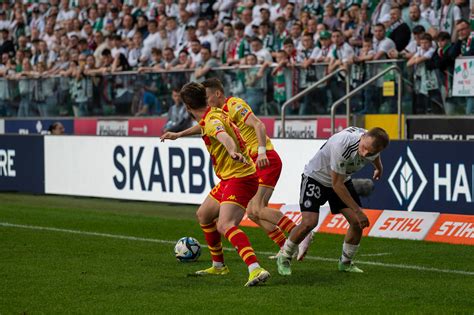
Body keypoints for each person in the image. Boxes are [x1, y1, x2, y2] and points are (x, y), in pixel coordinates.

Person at [161, 78, 313, 259]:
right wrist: (179, 134)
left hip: (263, 158)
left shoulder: (234, 104)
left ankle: (301, 233)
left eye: (208, 97)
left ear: (218, 94)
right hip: (251, 162)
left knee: (256, 209)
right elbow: (204, 127)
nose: (206, 101)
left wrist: (262, 152)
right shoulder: (217, 113)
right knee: (253, 212)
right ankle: (284, 247)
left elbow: (258, 124)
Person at [171, 82, 270, 287]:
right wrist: (179, 134)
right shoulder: (213, 112)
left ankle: (255, 268)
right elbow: (205, 126)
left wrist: (232, 150)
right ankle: (218, 266)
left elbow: (222, 136)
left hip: (240, 177)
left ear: (187, 107)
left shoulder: (212, 120)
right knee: (204, 214)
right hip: (230, 177)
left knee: (225, 225)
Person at [276, 127, 389, 276]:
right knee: (309, 222)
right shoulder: (342, 145)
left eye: (371, 152)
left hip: (342, 179)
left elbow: (374, 155)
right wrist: (358, 211)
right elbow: (337, 185)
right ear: (363, 137)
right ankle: (284, 257)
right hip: (316, 178)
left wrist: (379, 168)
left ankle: (345, 263)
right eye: (364, 148)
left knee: (356, 223)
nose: (365, 154)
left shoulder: (373, 144)